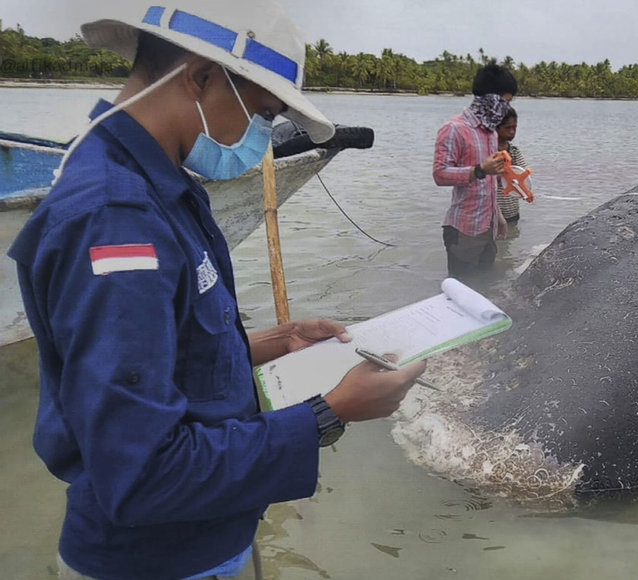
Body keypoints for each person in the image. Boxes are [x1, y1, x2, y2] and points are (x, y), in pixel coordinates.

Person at [6, 2, 426, 579]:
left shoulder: (164, 186)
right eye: (261, 114)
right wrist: (330, 414)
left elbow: (151, 360)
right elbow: (142, 474)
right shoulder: (117, 222)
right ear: (201, 77)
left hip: (204, 539)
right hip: (155, 562)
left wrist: (266, 343)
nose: (260, 137)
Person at [433, 63, 517, 279]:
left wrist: (498, 216)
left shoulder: (489, 132)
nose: (506, 109)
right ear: (489, 99)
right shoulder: (454, 129)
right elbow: (440, 174)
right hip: (463, 232)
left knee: (484, 288)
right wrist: (479, 169)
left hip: (487, 228)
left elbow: (488, 184)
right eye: (505, 102)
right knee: (460, 294)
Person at [495, 107, 528, 225]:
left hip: (512, 212)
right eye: (507, 128)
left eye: (514, 128)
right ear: (495, 128)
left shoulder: (514, 151)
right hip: (492, 213)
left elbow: (524, 175)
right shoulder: (488, 152)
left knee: (509, 241)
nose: (512, 132)